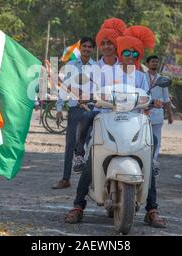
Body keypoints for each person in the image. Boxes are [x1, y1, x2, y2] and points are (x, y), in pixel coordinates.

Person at [65, 25, 166, 228]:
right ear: (121, 53)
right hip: (107, 119)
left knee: (147, 156)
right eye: (126, 52)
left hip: (133, 121)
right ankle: (78, 206)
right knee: (92, 161)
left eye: (134, 53)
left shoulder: (140, 76)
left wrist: (154, 102)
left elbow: (146, 96)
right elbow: (95, 91)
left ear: (138, 55)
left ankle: (152, 209)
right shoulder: (107, 72)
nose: (130, 56)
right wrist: (88, 96)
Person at [71, 18, 124, 172]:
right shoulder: (93, 68)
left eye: (110, 43)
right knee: (85, 118)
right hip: (100, 112)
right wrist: (84, 96)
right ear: (99, 47)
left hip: (122, 113)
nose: (107, 46)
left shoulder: (125, 68)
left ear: (116, 45)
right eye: (103, 43)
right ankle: (79, 154)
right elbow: (86, 90)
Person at [52, 37, 95, 189]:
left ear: (92, 50)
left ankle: (91, 182)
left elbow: (99, 91)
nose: (87, 49)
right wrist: (58, 109)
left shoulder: (96, 68)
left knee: (91, 145)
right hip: (74, 109)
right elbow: (64, 88)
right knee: (71, 143)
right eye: (85, 46)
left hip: (91, 110)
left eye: (90, 47)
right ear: (80, 48)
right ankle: (65, 179)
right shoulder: (70, 65)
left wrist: (89, 99)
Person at [145, 55, 173, 177]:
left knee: (156, 139)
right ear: (147, 63)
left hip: (157, 114)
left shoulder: (162, 79)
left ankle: (154, 162)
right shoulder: (141, 77)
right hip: (143, 112)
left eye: (156, 61)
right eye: (152, 61)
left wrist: (170, 115)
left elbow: (166, 99)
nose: (155, 63)